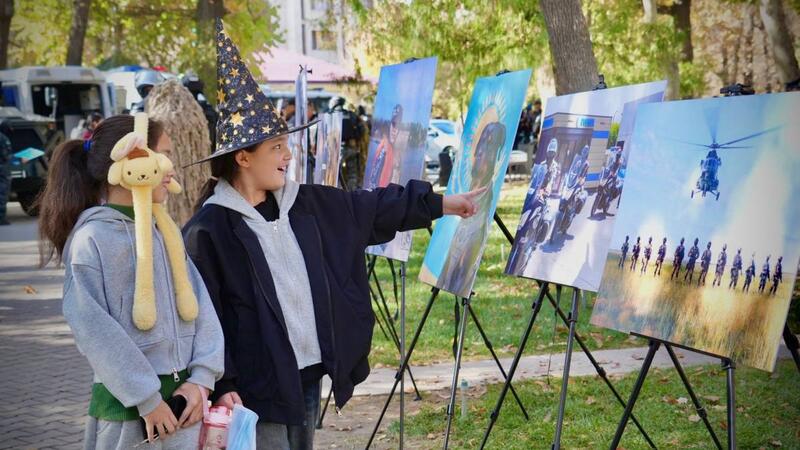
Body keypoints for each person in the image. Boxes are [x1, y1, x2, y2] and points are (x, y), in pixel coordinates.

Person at [181, 20, 480, 450]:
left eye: (287, 144)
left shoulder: (308, 204)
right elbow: (205, 319)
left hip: (306, 372)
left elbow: (374, 207)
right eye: (276, 148)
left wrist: (443, 204)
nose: (288, 154)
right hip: (252, 387)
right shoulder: (210, 231)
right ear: (243, 157)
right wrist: (222, 380)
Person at [36, 114, 225, 448]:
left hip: (186, 409)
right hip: (130, 418)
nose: (170, 168)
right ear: (131, 160)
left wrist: (202, 380)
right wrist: (147, 399)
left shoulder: (165, 231)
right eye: (162, 154)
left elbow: (200, 308)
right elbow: (93, 329)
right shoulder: (91, 239)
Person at [367, 104, 402, 188]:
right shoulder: (383, 148)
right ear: (389, 125)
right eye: (394, 124)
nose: (395, 130)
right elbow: (373, 179)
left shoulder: (397, 153)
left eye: (399, 126)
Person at [0, 126, 11, 226]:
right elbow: (5, 154)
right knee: (2, 192)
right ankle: (1, 218)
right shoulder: (3, 138)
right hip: (2, 169)